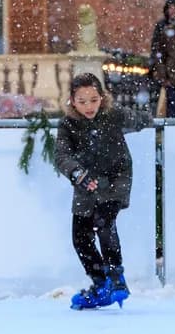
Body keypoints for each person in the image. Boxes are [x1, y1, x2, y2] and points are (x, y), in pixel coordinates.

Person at [53, 72, 153, 310]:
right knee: (80, 237)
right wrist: (78, 174)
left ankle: (116, 278)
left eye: (94, 100)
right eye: (82, 101)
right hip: (86, 183)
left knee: (104, 222)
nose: (89, 106)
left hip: (116, 179)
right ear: (72, 101)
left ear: (102, 98)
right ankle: (101, 284)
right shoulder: (67, 125)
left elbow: (140, 119)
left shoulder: (113, 114)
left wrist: (145, 118)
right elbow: (61, 156)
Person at [149, 0, 175, 80]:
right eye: (170, 8)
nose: (173, 11)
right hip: (164, 67)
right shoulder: (161, 25)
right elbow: (155, 47)